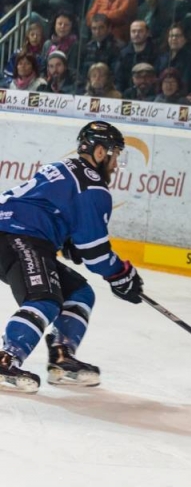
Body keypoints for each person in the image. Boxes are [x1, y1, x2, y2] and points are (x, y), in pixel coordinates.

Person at [0, 121, 144, 393]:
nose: (115, 165)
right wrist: (121, 274)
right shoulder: (93, 187)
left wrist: (67, 241)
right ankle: (6, 357)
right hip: (17, 234)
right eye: (115, 155)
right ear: (100, 152)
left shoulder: (63, 168)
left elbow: (47, 209)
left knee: (79, 293)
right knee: (44, 297)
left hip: (14, 232)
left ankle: (62, 357)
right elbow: (96, 253)